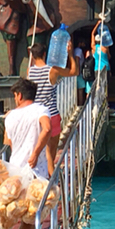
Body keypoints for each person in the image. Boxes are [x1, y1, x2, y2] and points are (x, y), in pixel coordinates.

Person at [2, 78, 51, 229]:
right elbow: (47, 129)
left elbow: (8, 141)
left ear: (19, 95)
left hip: (15, 171)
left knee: (28, 216)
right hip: (35, 173)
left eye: (15, 96)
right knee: (30, 220)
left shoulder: (10, 116)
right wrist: (36, 152)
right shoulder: (41, 110)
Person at [26, 40, 78, 173]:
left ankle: (43, 174)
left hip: (36, 116)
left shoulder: (29, 72)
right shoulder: (52, 70)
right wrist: (70, 54)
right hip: (51, 115)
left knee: (39, 148)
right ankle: (51, 177)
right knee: (51, 151)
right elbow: (74, 72)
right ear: (45, 54)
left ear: (32, 55)